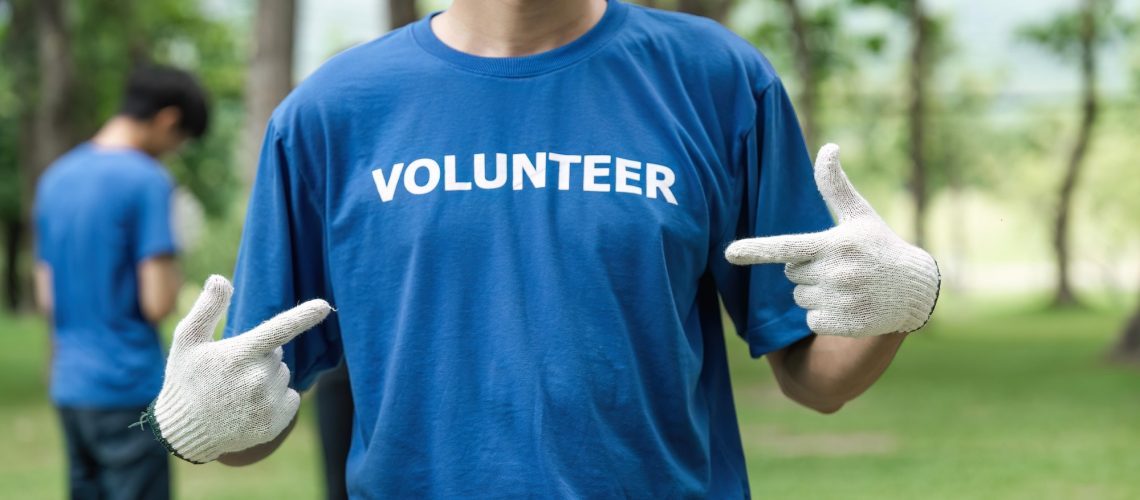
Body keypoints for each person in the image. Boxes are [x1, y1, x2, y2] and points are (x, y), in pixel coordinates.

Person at [140, 1, 940, 497]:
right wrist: (194, 419)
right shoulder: (330, 114)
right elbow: (257, 419)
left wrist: (907, 300)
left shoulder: (717, 80)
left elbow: (817, 378)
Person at [34, 65, 209, 500]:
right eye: (179, 140)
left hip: (71, 387)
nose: (172, 151)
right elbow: (157, 301)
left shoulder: (55, 178)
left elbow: (46, 295)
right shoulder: (147, 180)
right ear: (168, 119)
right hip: (126, 386)